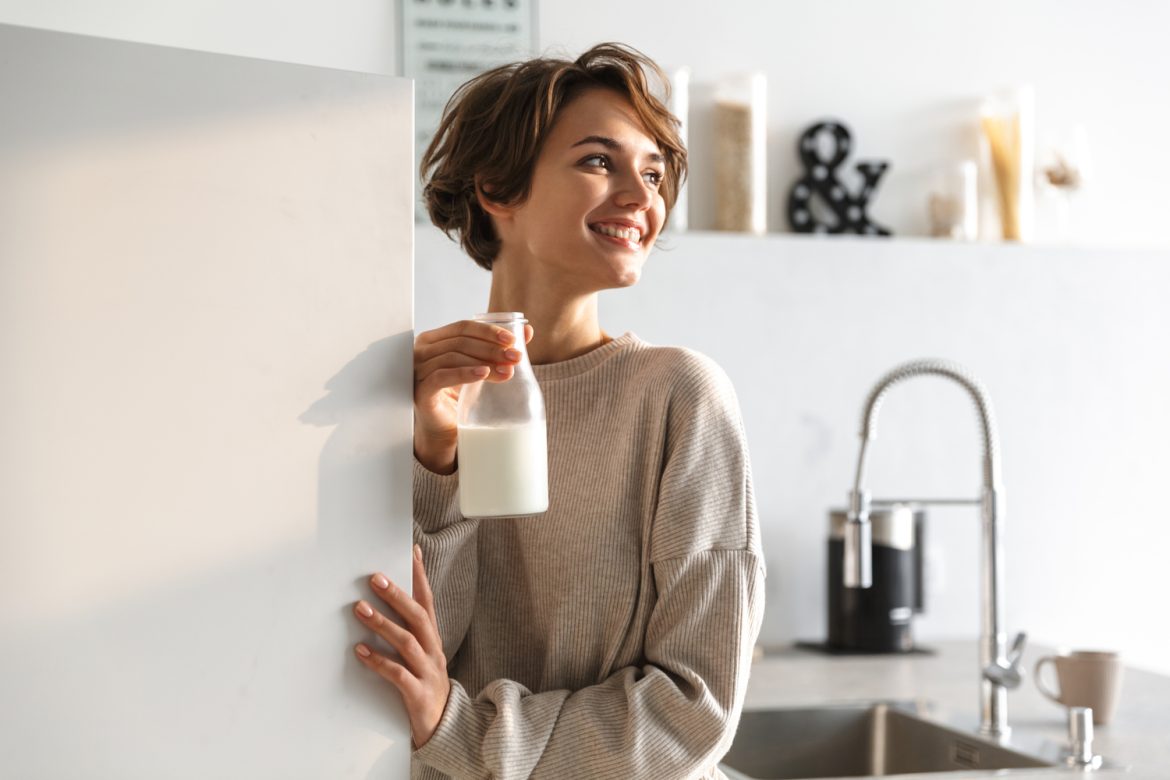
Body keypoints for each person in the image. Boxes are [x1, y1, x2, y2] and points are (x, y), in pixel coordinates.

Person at [350, 42, 765, 780]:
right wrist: (434, 460)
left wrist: (461, 730)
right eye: (600, 162)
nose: (644, 199)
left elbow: (693, 710)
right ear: (497, 190)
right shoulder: (418, 396)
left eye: (654, 173)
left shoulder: (678, 395)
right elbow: (402, 664)